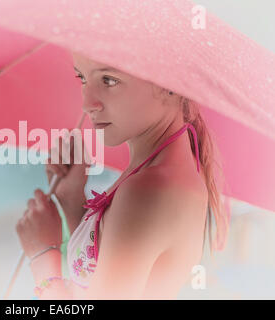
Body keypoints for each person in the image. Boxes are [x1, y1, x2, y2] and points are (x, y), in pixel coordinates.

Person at [15, 52, 229, 299]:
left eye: (108, 80)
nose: (88, 103)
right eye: (82, 78)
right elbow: (98, 269)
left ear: (170, 84)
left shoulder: (149, 190)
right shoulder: (158, 170)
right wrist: (72, 198)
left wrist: (42, 255)